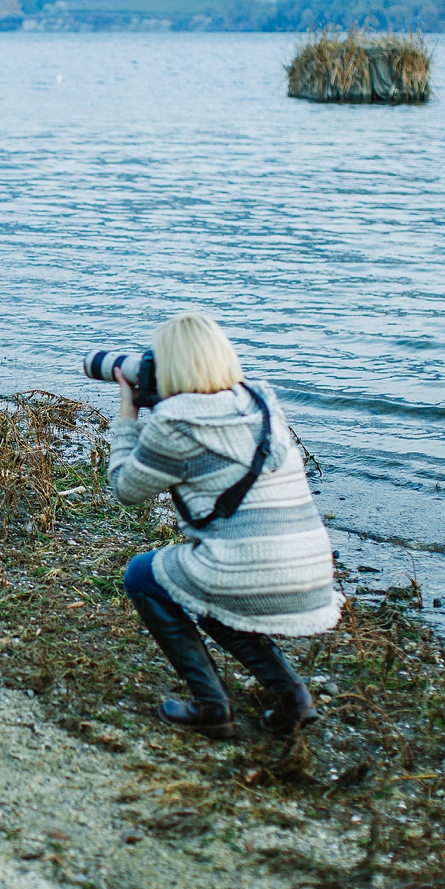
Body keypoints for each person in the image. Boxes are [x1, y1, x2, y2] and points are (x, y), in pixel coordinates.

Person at [107, 311, 339, 739]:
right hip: (311, 571)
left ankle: (211, 707)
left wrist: (127, 414)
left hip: (251, 571)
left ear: (165, 368)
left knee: (142, 574)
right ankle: (294, 697)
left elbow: (125, 488)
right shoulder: (262, 402)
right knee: (208, 587)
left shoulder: (175, 423)